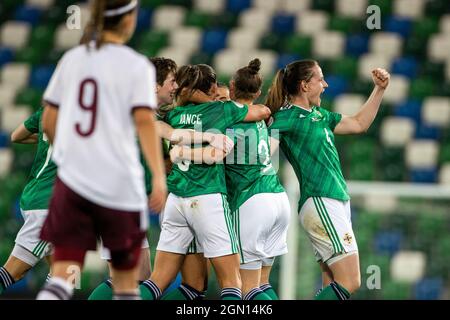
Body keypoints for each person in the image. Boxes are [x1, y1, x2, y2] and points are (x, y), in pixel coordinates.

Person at [36, 0, 167, 300]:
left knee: (61, 278)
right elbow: (146, 122)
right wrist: (159, 177)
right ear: (128, 20)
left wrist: (71, 158)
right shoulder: (136, 65)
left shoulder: (73, 59)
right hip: (119, 184)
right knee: (125, 282)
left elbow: (48, 121)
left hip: (74, 182)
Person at [139, 64, 271, 300]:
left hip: (176, 201)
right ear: (211, 87)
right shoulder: (221, 110)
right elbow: (260, 111)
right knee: (232, 282)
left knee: (158, 281)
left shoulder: (174, 114)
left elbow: (155, 125)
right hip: (208, 198)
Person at [266, 59, 390, 300]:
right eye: (320, 79)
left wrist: (379, 89)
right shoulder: (285, 117)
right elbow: (262, 152)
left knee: (332, 283)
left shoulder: (320, 115)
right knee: (350, 281)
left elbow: (358, 123)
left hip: (336, 200)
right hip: (320, 199)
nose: (325, 84)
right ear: (304, 85)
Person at [170, 59, 290, 300]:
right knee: (260, 285)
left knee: (242, 289)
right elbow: (266, 115)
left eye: (223, 99)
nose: (219, 102)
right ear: (257, 92)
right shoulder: (262, 120)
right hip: (276, 197)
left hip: (248, 200)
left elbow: (214, 153)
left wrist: (179, 152)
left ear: (233, 87)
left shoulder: (225, 120)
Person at [0, 109, 55, 295]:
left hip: (38, 196)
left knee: (66, 274)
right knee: (14, 270)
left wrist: (42, 139)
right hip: (47, 205)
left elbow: (16, 136)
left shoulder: (47, 110)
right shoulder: (85, 118)